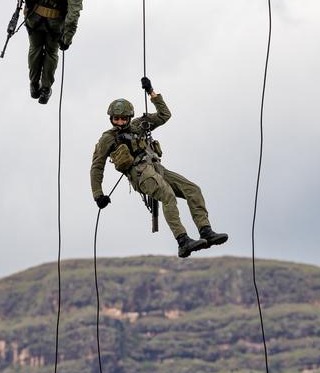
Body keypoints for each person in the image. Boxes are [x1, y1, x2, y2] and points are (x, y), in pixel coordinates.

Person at [90, 78, 228, 258]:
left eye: (124, 118)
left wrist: (152, 93)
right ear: (111, 118)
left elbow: (164, 115)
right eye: (116, 118)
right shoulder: (107, 139)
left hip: (156, 168)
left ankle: (206, 230)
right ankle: (183, 241)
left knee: (192, 189)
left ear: (129, 117)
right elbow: (97, 167)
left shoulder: (139, 125)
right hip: (140, 175)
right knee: (167, 195)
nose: (120, 122)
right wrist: (98, 195)